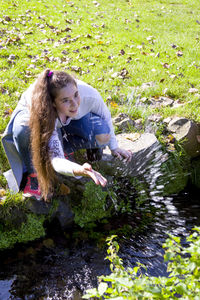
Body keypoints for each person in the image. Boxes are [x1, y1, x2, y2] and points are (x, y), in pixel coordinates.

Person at [2, 69, 132, 201]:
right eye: (65, 100)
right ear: (53, 103)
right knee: (23, 130)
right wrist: (78, 170)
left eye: (76, 95)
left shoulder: (89, 94)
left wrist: (114, 147)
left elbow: (106, 117)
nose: (75, 104)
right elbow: (56, 160)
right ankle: (34, 174)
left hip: (65, 120)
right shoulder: (44, 113)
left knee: (103, 133)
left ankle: (64, 147)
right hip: (30, 124)